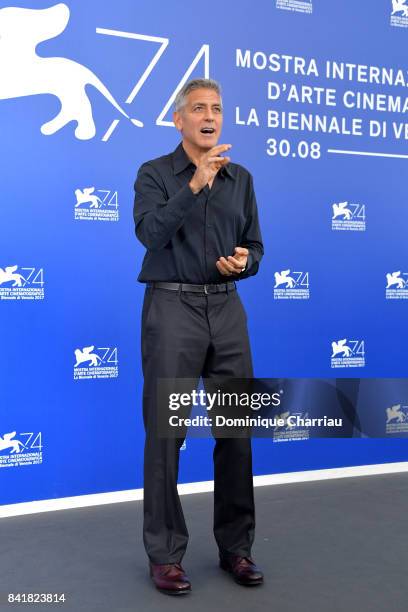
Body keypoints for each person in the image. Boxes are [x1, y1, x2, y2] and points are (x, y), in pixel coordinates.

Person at [133, 78, 264, 595]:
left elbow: (254, 245)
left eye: (217, 108)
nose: (210, 116)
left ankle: (237, 548)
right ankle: (165, 555)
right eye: (199, 108)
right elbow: (150, 234)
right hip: (172, 308)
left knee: (236, 432)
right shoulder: (155, 174)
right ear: (178, 119)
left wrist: (244, 262)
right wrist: (194, 185)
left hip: (226, 309)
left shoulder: (242, 179)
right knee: (167, 436)